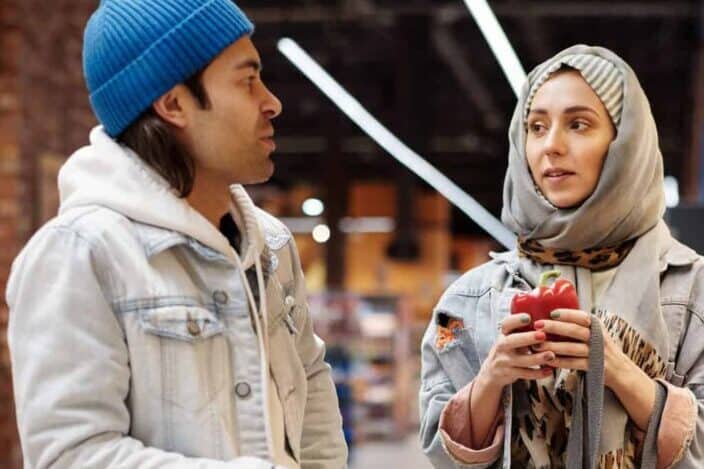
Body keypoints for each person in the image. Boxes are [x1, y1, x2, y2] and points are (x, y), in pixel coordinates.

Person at [6, 1, 347, 468]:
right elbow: (70, 455)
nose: (272, 101)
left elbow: (310, 389)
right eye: (247, 81)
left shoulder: (271, 246)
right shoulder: (80, 255)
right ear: (173, 103)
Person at [420, 44, 704, 468]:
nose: (550, 146)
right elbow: (435, 448)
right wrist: (493, 377)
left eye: (578, 124)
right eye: (536, 127)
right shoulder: (462, 302)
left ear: (625, 142)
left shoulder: (693, 288)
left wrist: (621, 372)